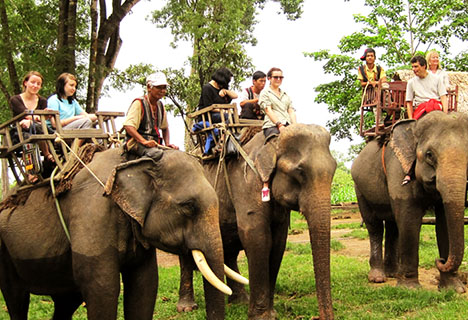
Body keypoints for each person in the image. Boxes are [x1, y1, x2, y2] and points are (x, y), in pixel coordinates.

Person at [402, 55, 448, 185]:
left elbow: (443, 97)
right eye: (412, 67)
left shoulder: (437, 79)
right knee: (414, 140)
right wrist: (411, 120)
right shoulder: (412, 82)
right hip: (421, 112)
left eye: (416, 66)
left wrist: (444, 115)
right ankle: (410, 171)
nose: (414, 69)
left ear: (424, 66)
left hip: (436, 110)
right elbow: (409, 103)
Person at [258, 67, 297, 202]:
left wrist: (295, 126)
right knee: (273, 149)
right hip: (272, 126)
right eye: (276, 77)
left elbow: (291, 110)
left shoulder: (285, 94)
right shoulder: (265, 93)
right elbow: (268, 110)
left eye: (281, 77)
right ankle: (266, 184)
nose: (278, 80)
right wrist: (279, 125)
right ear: (269, 78)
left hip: (287, 125)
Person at [10, 71, 54, 183]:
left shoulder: (43, 101)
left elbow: (42, 118)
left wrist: (45, 115)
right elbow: (24, 115)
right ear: (25, 83)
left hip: (39, 129)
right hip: (19, 132)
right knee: (27, 137)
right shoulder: (15, 99)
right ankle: (30, 170)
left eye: (38, 84)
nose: (35, 86)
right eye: (33, 82)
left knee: (38, 129)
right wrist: (36, 118)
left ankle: (47, 154)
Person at [123, 72, 178, 158]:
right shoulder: (139, 103)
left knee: (174, 155)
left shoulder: (160, 106)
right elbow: (128, 126)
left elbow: (165, 128)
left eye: (164, 88)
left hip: (154, 144)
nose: (162, 91)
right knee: (155, 154)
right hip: (136, 143)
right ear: (149, 87)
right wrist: (144, 141)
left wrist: (167, 144)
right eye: (159, 87)